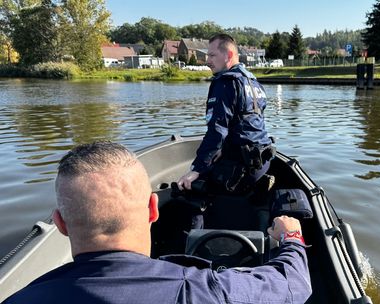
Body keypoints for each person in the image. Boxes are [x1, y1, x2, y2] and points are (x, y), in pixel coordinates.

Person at [2, 142, 311, 304]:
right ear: (153, 209)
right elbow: (294, 286)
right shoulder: (203, 291)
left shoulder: (21, 299)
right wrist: (292, 237)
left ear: (60, 224)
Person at [178, 33, 274, 193]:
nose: (207, 61)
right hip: (262, 163)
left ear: (228, 55)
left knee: (191, 191)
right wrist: (224, 149)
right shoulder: (254, 82)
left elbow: (217, 131)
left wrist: (197, 169)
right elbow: (249, 126)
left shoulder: (225, 83)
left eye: (212, 55)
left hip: (240, 169)